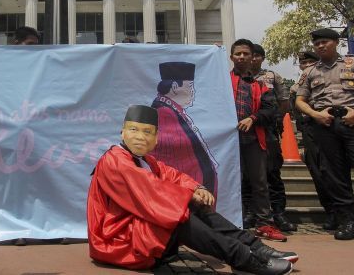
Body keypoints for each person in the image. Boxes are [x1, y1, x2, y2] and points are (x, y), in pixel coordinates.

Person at [87, 105, 297, 275]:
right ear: (122, 132)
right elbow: (152, 191)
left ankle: (254, 246)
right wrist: (189, 195)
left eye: (147, 132)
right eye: (133, 130)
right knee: (176, 215)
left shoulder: (146, 160)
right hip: (117, 239)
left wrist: (196, 187)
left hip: (138, 230)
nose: (140, 136)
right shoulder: (115, 160)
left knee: (192, 205)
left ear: (156, 138)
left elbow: (172, 175)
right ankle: (244, 259)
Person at [295, 28, 354, 240]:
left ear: (336, 42)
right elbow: (299, 100)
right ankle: (348, 221)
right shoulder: (310, 71)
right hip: (325, 125)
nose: (321, 46)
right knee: (336, 175)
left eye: (325, 42)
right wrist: (315, 114)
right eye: (317, 44)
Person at [229, 39, 285, 241]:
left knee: (259, 182)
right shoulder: (221, 81)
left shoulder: (262, 85)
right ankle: (234, 223)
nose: (242, 57)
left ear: (253, 57)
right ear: (231, 57)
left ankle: (264, 224)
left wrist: (252, 118)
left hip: (254, 139)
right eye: (238, 54)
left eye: (246, 54)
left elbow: (270, 110)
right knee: (231, 182)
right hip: (228, 143)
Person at [244, 44, 296, 232]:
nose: (254, 59)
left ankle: (278, 213)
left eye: (258, 56)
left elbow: (284, 102)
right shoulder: (236, 78)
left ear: (262, 58)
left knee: (272, 172)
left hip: (268, 130)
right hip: (246, 131)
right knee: (247, 175)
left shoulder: (272, 77)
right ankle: (250, 212)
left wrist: (273, 120)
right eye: (252, 55)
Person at [150, 62, 218, 195]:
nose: (193, 92)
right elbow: (170, 159)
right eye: (190, 87)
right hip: (184, 192)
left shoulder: (173, 110)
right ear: (175, 87)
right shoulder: (164, 114)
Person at [289, 51, 336, 229]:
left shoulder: (330, 79)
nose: (307, 65)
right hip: (310, 130)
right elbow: (295, 111)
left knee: (335, 170)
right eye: (304, 63)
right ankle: (330, 210)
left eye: (311, 61)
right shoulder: (296, 87)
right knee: (318, 171)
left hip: (331, 127)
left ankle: (344, 211)